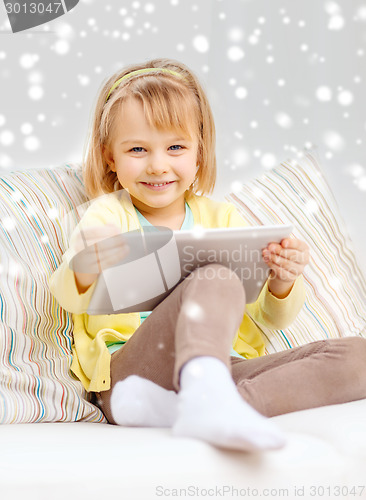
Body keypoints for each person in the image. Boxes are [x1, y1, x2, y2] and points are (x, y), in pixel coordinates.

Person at [49, 58, 366, 452]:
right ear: (110, 156)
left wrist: (282, 283)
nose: (158, 165)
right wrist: (84, 267)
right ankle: (198, 399)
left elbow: (266, 317)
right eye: (137, 149)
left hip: (222, 366)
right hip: (134, 373)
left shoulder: (223, 218)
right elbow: (68, 296)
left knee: (358, 357)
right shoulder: (108, 215)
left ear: (199, 152)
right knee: (215, 276)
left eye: (176, 147)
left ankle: (214, 406)